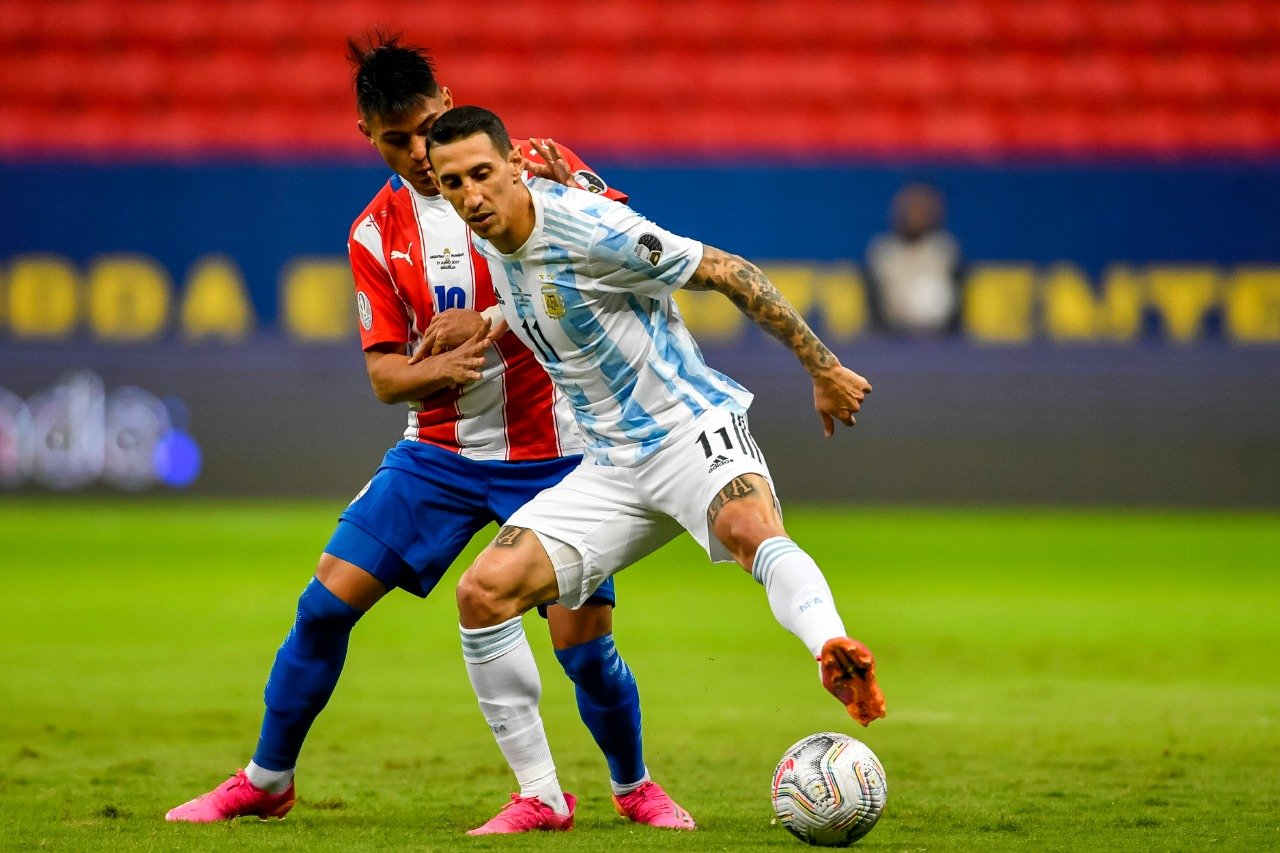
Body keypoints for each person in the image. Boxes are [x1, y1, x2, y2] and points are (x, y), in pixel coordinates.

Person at [165, 36, 694, 832]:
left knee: (585, 649)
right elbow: (385, 377)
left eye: (425, 128)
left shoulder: (530, 167)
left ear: (448, 102)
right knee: (322, 607)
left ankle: (633, 786)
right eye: (396, 139)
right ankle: (267, 779)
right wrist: (441, 368)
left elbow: (620, 250)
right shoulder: (375, 233)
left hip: (560, 454)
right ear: (366, 136)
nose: (418, 151)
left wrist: (494, 318)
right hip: (440, 454)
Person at [420, 106, 888, 836]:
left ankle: (831, 646)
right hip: (608, 466)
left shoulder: (588, 227)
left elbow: (729, 270)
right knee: (483, 594)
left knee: (748, 528)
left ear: (514, 165)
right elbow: (542, 296)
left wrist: (823, 368)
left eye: (482, 174)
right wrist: (486, 321)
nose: (471, 195)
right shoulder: (492, 237)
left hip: (687, 430)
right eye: (453, 183)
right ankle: (541, 796)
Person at [864, 182, 964, 336]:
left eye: (922, 210)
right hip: (892, 336)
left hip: (940, 338)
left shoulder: (945, 249)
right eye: (911, 209)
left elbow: (958, 303)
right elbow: (874, 303)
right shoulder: (883, 250)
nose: (916, 216)